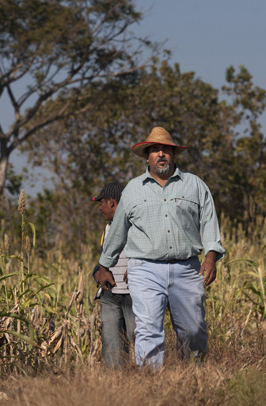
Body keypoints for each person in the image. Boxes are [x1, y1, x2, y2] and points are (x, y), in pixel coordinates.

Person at [96, 127, 225, 368]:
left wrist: (210, 257)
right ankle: (150, 386)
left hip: (186, 268)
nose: (161, 153)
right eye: (155, 150)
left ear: (174, 154)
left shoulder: (194, 185)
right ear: (147, 157)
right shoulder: (133, 189)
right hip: (144, 269)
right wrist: (104, 265)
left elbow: (209, 223)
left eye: (166, 149)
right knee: (147, 330)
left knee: (194, 330)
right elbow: (117, 231)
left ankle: (192, 379)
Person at [91, 182, 135, 368]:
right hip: (109, 295)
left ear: (112, 202)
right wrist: (97, 273)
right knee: (111, 344)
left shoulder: (136, 226)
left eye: (101, 203)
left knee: (138, 338)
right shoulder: (107, 229)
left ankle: (147, 379)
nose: (100, 208)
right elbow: (103, 259)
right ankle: (115, 384)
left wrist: (135, 268)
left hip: (133, 294)